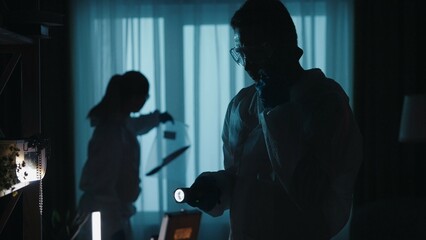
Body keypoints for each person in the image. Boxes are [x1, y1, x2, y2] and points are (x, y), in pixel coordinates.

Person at [185, 0, 363, 239]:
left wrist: (278, 111)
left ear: (286, 46)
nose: (247, 64)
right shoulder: (240, 104)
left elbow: (311, 194)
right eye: (241, 53)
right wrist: (214, 187)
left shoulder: (325, 101)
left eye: (257, 51)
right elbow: (241, 180)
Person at [77, 71, 174, 240]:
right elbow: (103, 187)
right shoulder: (111, 132)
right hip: (104, 218)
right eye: (145, 96)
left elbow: (136, 125)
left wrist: (157, 118)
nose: (145, 101)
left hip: (112, 215)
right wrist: (115, 229)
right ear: (135, 98)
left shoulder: (120, 124)